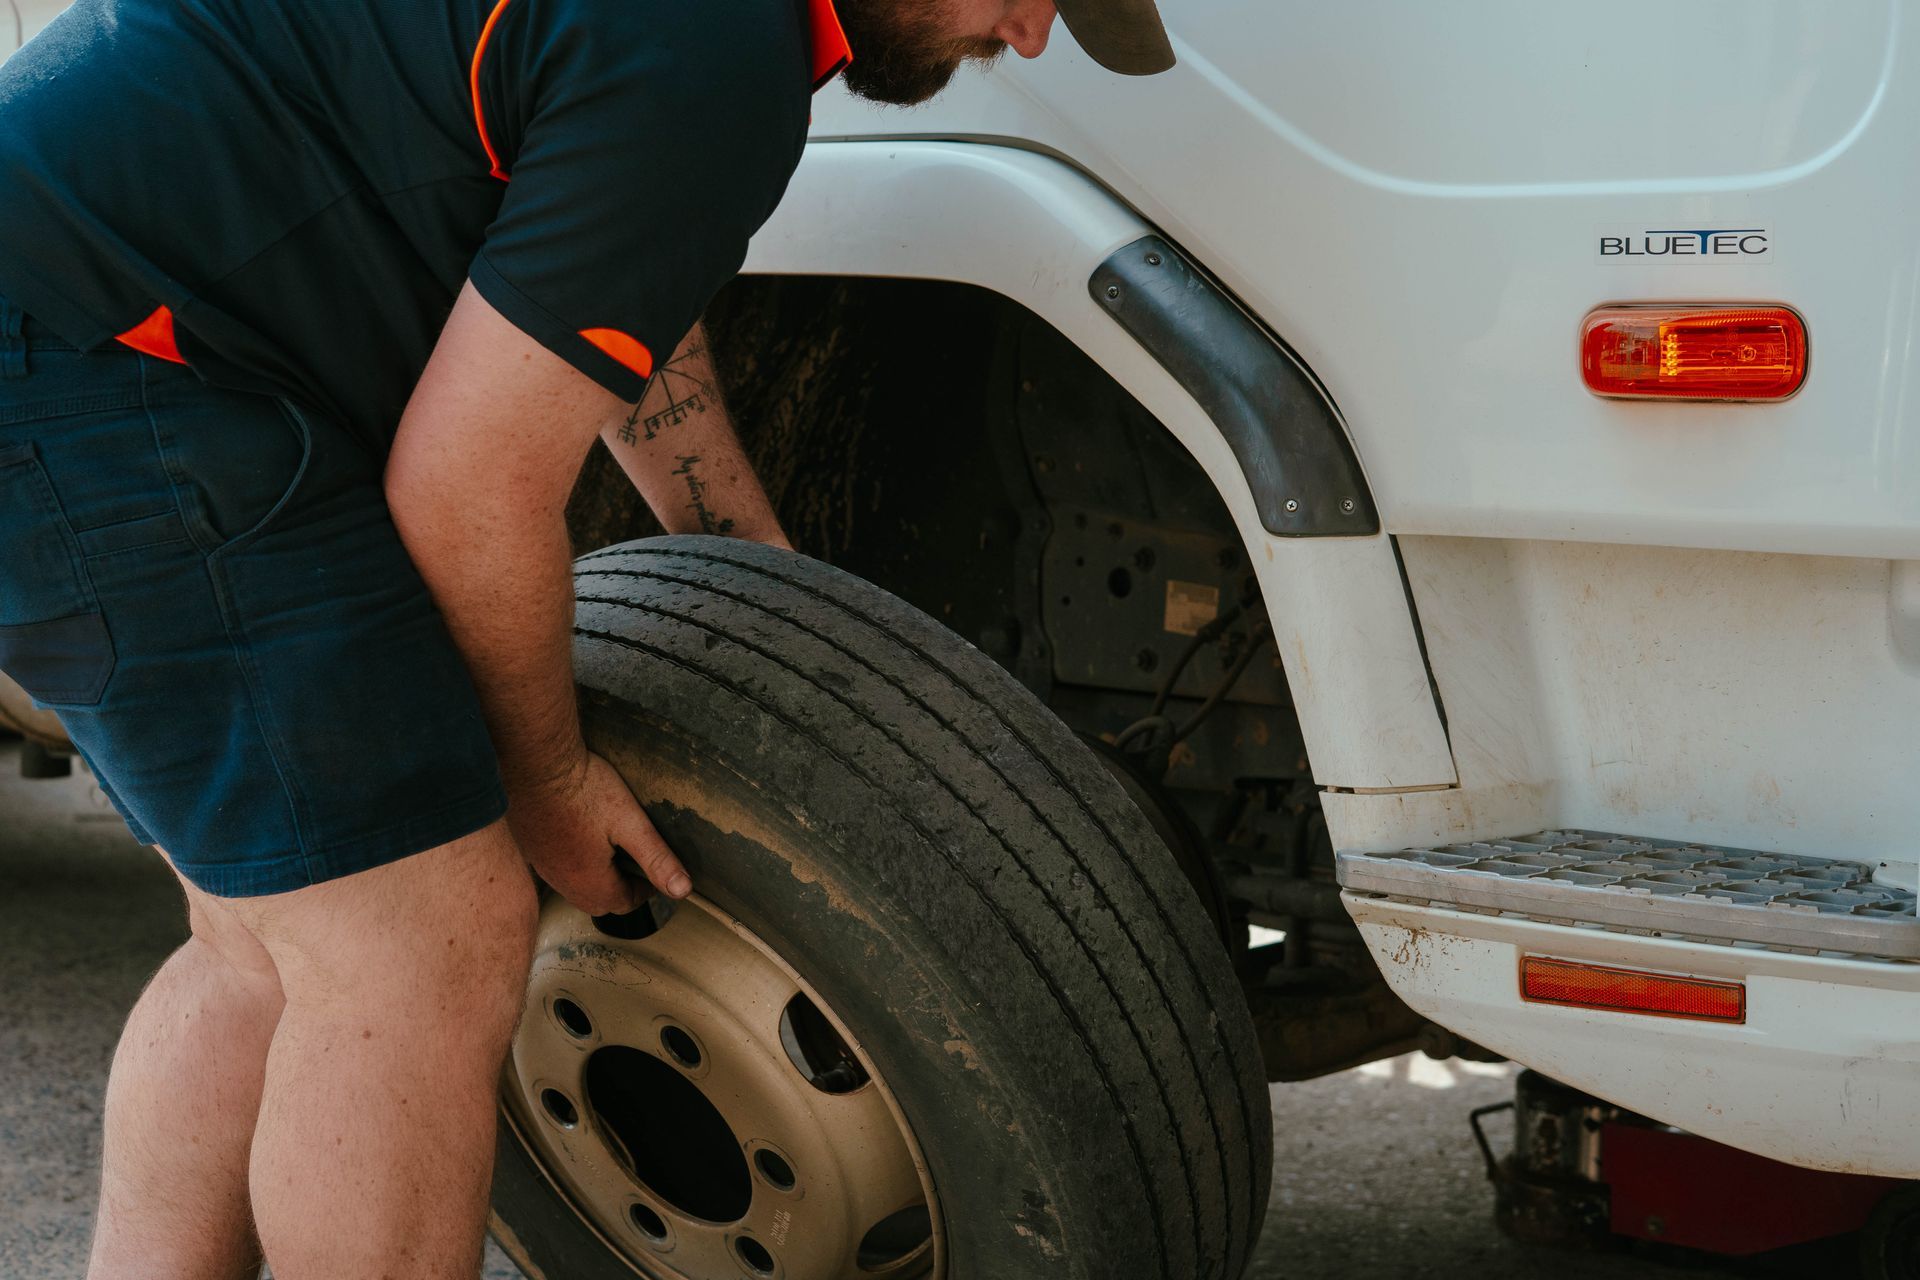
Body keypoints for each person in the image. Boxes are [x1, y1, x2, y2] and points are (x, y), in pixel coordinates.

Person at [0, 0, 1172, 1274]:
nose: (1032, 34)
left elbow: (590, 290)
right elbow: (466, 487)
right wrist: (547, 777)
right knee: (421, 944)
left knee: (271, 946)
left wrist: (746, 562)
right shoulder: (719, 51)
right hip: (102, 375)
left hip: (78, 328)